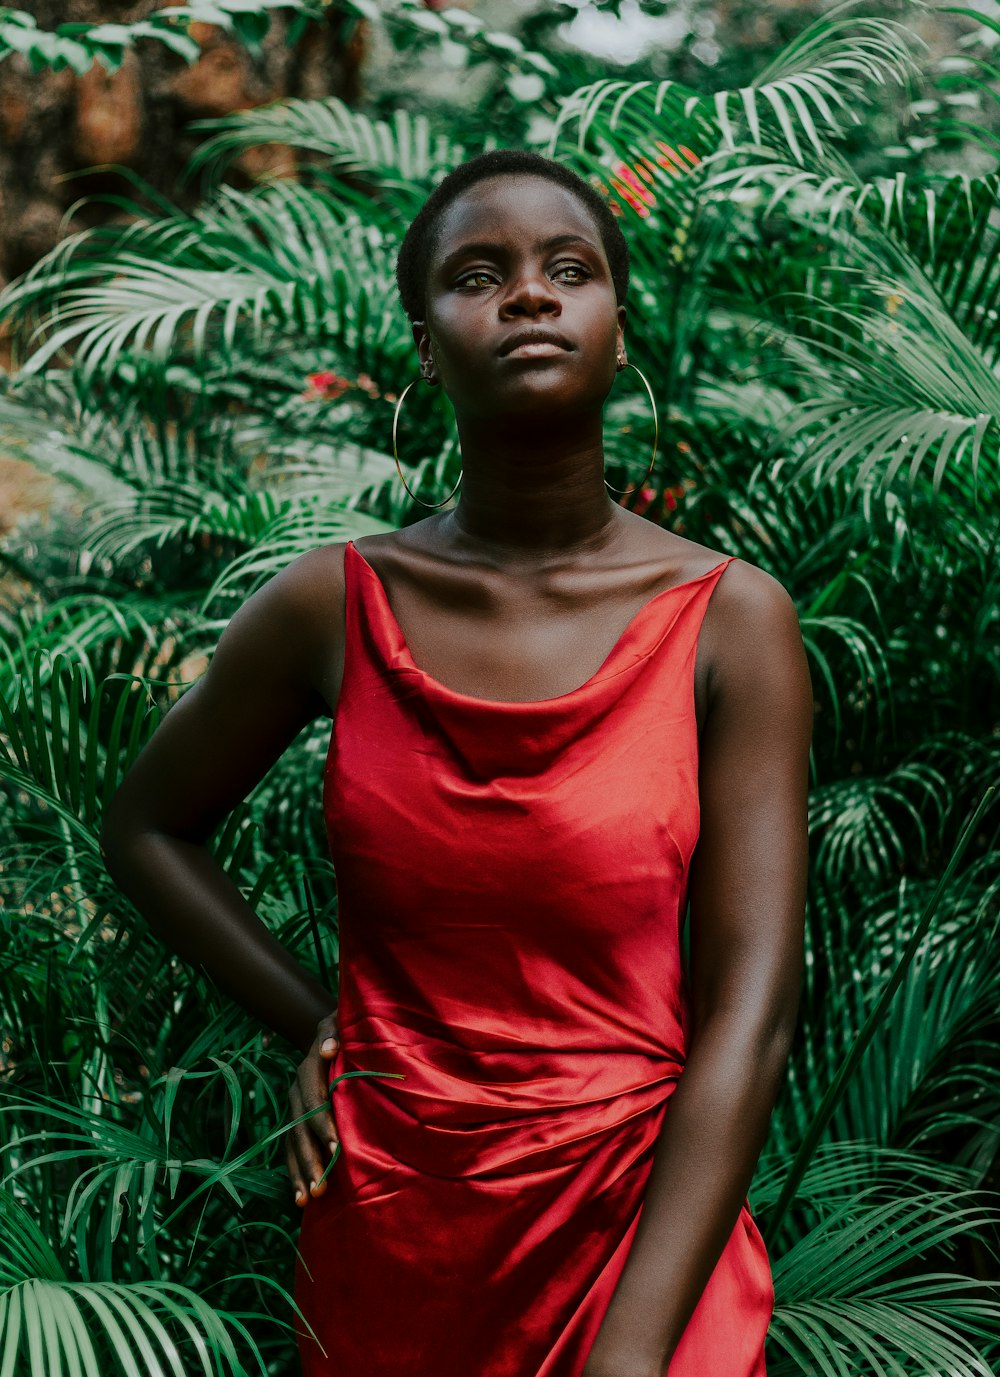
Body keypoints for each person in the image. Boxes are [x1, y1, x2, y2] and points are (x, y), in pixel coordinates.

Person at [100, 148, 812, 1377]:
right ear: (424, 345)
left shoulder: (730, 621)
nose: (527, 296)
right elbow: (147, 830)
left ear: (615, 325)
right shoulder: (332, 605)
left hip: (640, 1234)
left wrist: (633, 1351)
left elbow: (753, 1008)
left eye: (566, 270)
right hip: (400, 1233)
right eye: (478, 276)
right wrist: (316, 1021)